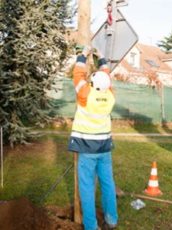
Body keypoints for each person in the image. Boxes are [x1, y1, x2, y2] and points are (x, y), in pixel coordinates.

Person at [68, 46, 118, 230]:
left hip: (87, 149)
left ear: (92, 83)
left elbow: (78, 73)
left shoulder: (85, 95)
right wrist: (102, 57)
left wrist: (83, 53)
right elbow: (107, 77)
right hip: (104, 148)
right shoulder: (110, 96)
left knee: (87, 188)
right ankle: (112, 220)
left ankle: (91, 226)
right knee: (107, 183)